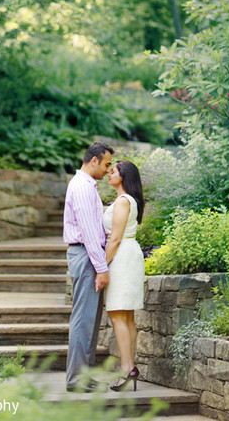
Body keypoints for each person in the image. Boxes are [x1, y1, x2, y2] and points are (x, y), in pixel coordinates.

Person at [63, 141, 114, 392]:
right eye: (106, 164)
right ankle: (76, 380)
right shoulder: (82, 187)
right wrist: (101, 267)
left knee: (90, 320)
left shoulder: (87, 185)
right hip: (85, 255)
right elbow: (90, 232)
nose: (107, 170)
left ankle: (84, 375)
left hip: (87, 255)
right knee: (83, 319)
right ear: (93, 160)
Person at [100, 159, 145, 392]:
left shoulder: (122, 201)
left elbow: (115, 239)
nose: (109, 173)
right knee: (126, 317)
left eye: (113, 171)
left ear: (124, 176)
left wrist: (101, 267)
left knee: (118, 315)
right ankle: (130, 368)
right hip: (129, 254)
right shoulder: (129, 200)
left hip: (122, 257)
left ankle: (126, 370)